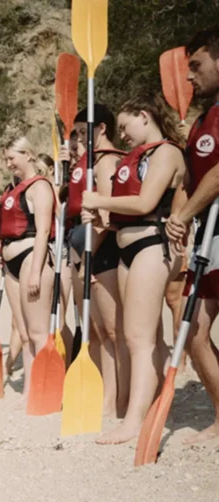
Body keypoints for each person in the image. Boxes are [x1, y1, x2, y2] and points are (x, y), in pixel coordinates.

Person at [82, 95, 185, 444]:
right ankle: (154, 405)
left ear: (144, 116)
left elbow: (145, 203)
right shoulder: (138, 156)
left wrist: (100, 200)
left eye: (125, 127)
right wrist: (102, 218)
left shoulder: (166, 153)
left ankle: (134, 421)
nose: (122, 134)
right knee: (144, 335)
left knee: (138, 338)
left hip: (153, 246)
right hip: (129, 248)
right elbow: (126, 212)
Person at [165, 27, 219, 445]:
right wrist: (176, 217)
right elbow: (190, 177)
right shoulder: (202, 121)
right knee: (195, 328)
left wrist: (185, 214)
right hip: (208, 233)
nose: (188, 76)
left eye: (196, 66)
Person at [61, 107, 127, 417]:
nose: (78, 138)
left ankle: (120, 399)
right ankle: (105, 394)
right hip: (86, 250)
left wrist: (88, 257)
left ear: (101, 128)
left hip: (103, 249)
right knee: (99, 331)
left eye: (82, 131)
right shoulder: (90, 163)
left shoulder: (107, 161)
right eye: (75, 133)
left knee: (114, 331)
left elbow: (107, 215)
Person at [0, 137, 56, 403]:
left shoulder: (40, 186)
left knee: (37, 331)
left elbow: (43, 231)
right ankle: (29, 390)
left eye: (12, 158)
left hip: (31, 257)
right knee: (23, 333)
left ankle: (46, 391)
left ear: (28, 155)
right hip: (10, 263)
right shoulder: (13, 190)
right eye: (6, 159)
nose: (8, 164)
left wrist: (35, 271)